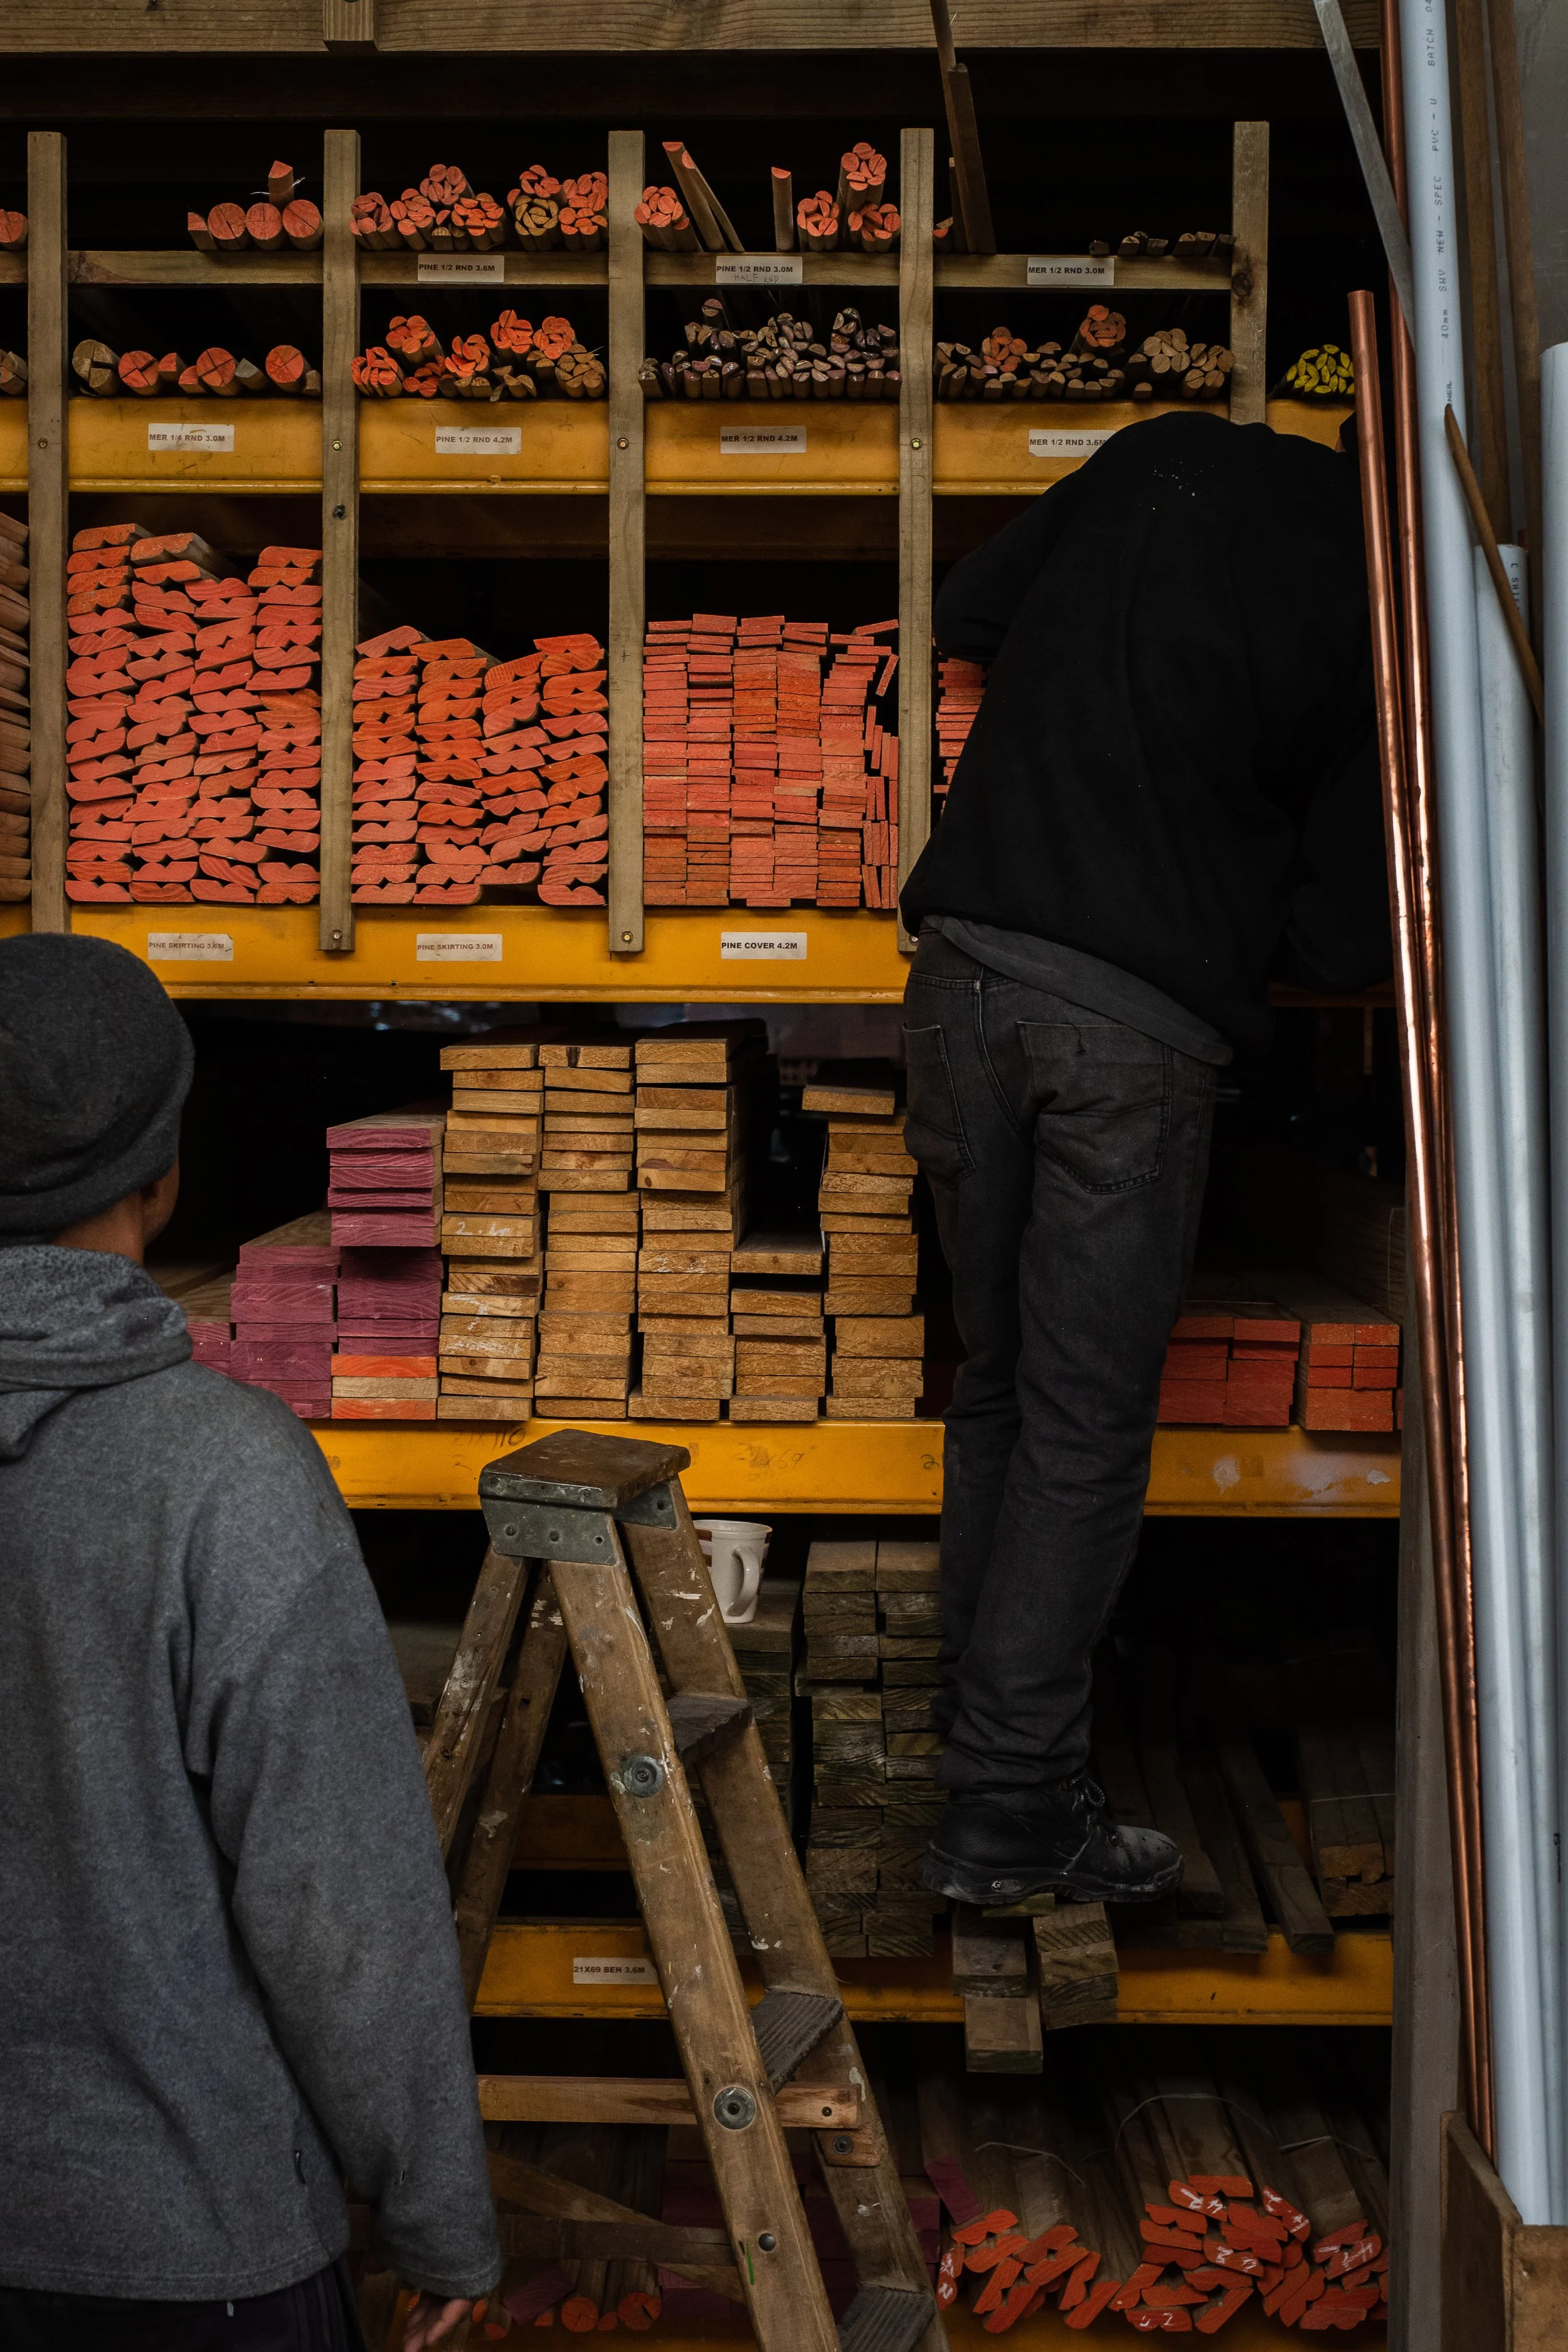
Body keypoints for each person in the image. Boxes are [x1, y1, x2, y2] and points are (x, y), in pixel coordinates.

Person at [901, 411, 1389, 1912]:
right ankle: (1012, 1810)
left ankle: (968, 1739)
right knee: (1082, 1426)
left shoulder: (1156, 451)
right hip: (1125, 1029)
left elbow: (970, 605)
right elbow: (1341, 937)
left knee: (995, 1383)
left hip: (958, 976)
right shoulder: (1366, 588)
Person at [0, 935, 499, 2350]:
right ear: (164, 1170)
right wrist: (437, 2219)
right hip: (184, 2252)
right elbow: (337, 1904)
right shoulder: (222, 1471)